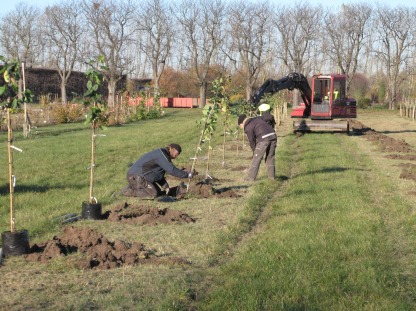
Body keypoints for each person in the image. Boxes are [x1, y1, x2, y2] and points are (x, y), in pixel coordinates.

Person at [122, 143, 193, 199]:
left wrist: (165, 186)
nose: (175, 156)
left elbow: (157, 173)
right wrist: (187, 175)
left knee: (159, 193)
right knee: (153, 194)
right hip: (136, 176)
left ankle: (136, 186)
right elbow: (172, 170)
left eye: (177, 154)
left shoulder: (163, 155)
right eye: (175, 152)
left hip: (143, 177)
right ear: (171, 148)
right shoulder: (161, 155)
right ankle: (130, 191)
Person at [238, 114, 277, 181]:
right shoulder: (257, 118)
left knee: (256, 159)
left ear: (242, 124)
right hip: (273, 136)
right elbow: (269, 116)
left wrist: (254, 152)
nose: (241, 128)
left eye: (240, 126)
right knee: (270, 157)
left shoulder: (247, 127)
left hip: (264, 139)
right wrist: (273, 125)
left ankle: (250, 178)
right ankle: (271, 177)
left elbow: (252, 141)